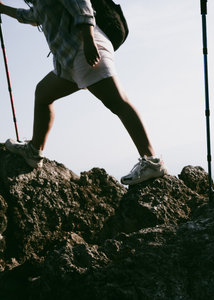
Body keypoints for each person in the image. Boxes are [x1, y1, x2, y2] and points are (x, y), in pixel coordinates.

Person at [0, 0, 167, 185]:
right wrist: (3, 8)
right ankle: (34, 151)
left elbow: (82, 4)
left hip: (84, 49)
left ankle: (152, 162)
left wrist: (89, 40)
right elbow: (32, 16)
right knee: (43, 94)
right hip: (69, 58)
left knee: (118, 103)